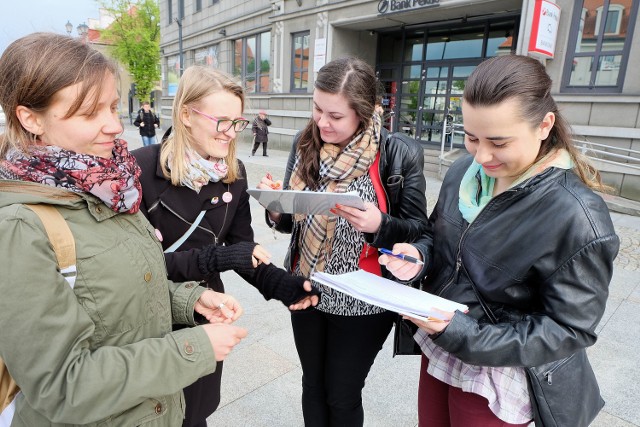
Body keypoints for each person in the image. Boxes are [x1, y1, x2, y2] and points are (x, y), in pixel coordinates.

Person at [0, 33, 248, 426]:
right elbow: (62, 384)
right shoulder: (20, 226)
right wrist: (193, 348)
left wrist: (189, 300)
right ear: (30, 118)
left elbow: (121, 289)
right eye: (88, 113)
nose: (115, 126)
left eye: (114, 106)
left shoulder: (110, 182)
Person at [380, 54, 620, 427]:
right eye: (471, 137)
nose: (482, 155)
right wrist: (418, 255)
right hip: (443, 344)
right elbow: (435, 235)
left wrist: (465, 334)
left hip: (501, 369)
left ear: (544, 125)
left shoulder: (577, 215)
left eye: (499, 142)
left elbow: (570, 328)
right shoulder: (464, 170)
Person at [132, 65, 320, 427]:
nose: (231, 133)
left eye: (237, 122)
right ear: (186, 114)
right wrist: (218, 257)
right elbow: (141, 266)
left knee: (196, 414)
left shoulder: (234, 172)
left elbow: (242, 247)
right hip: (151, 319)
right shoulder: (141, 168)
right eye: (222, 121)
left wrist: (282, 285)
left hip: (207, 314)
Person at [258, 57, 429, 426]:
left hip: (364, 301)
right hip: (307, 286)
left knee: (342, 392)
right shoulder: (306, 144)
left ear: (363, 115)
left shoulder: (396, 153)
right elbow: (292, 221)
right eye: (317, 109)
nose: (322, 122)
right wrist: (275, 208)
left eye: (335, 116)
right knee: (312, 385)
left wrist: (378, 223)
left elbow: (418, 228)